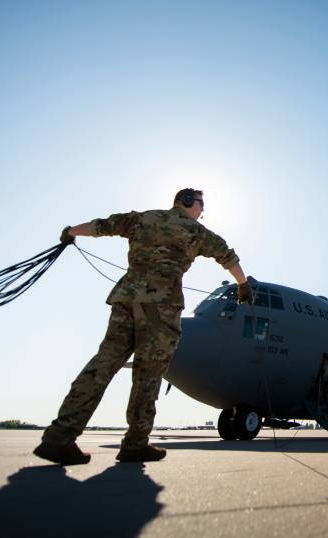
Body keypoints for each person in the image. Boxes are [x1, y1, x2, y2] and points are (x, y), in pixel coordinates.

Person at [33, 188, 253, 465]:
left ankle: (59, 437)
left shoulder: (142, 219)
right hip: (161, 306)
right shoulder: (196, 232)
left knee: (103, 364)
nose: (203, 210)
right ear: (186, 202)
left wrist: (70, 232)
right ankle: (135, 444)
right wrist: (243, 286)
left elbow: (102, 226)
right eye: (200, 204)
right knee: (148, 375)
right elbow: (228, 257)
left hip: (126, 298)